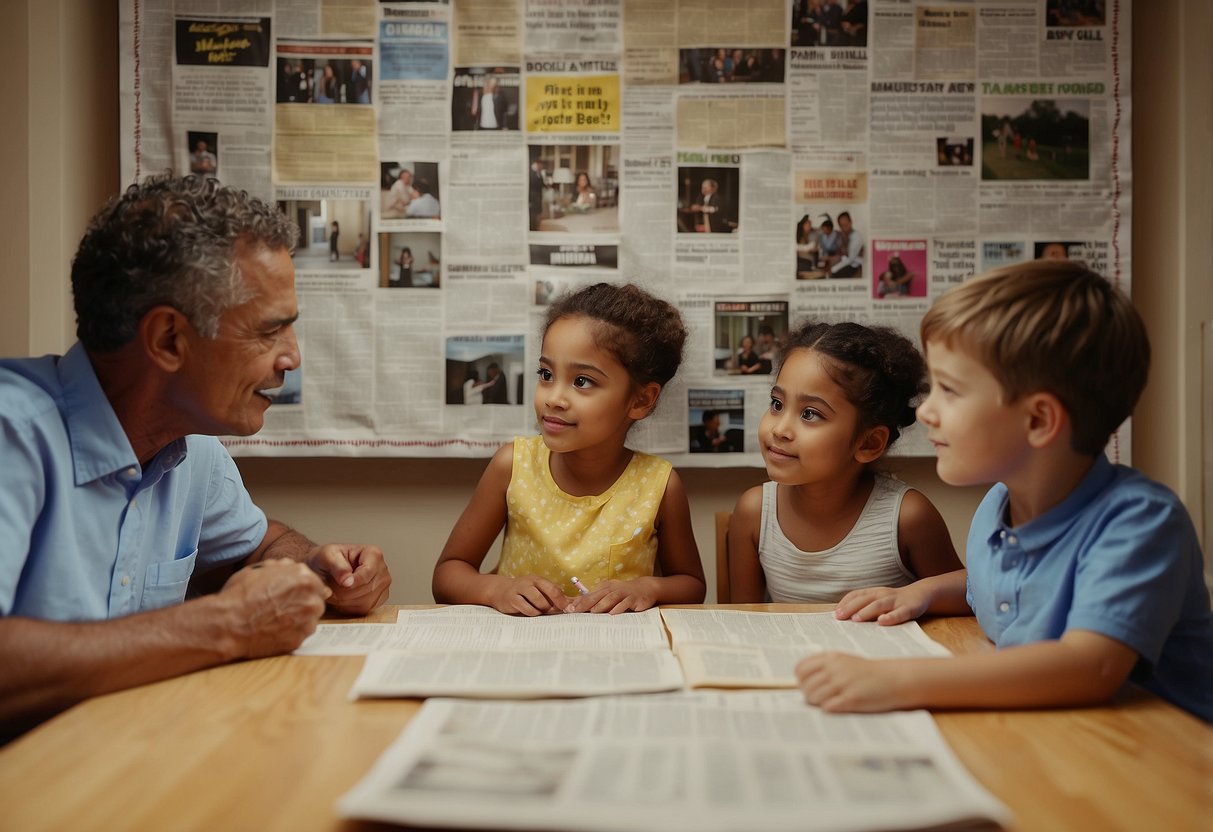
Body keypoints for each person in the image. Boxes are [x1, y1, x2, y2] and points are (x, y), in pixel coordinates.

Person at [0, 174, 392, 738]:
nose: (292, 358)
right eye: (269, 332)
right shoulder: (15, 434)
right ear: (167, 340)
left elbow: (259, 545)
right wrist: (227, 624)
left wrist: (311, 567)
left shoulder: (193, 449)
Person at [796, 261, 1213, 722]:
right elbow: (997, 585)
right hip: (1060, 735)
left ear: (1038, 420)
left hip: (1168, 757)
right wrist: (927, 592)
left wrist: (897, 680)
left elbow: (1089, 666)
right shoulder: (1000, 503)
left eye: (950, 391)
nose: (926, 412)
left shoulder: (1140, 522)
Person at [433, 283, 707, 615]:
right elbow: (448, 573)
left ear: (640, 400)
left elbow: (692, 584)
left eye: (582, 382)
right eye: (546, 374)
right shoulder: (512, 466)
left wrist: (647, 587)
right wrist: (496, 589)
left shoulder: (660, 486)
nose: (553, 398)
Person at [728, 321, 961, 604]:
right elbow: (741, 621)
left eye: (810, 414)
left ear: (869, 443)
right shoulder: (753, 513)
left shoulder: (907, 518)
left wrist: (915, 596)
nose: (779, 430)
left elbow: (972, 597)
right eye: (777, 404)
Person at [830, 211, 863, 278]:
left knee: (834, 275)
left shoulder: (856, 237)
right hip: (849, 262)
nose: (844, 228)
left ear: (851, 222)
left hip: (855, 265)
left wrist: (834, 269)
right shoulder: (846, 235)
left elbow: (851, 259)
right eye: (841, 226)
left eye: (846, 225)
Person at [529, 158, 550, 231]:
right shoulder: (531, 174)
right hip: (533, 198)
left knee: (538, 214)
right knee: (533, 215)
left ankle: (537, 229)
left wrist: (546, 185)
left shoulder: (540, 174)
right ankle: (534, 229)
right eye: (541, 165)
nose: (542, 167)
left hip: (539, 198)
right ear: (537, 164)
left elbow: (541, 184)